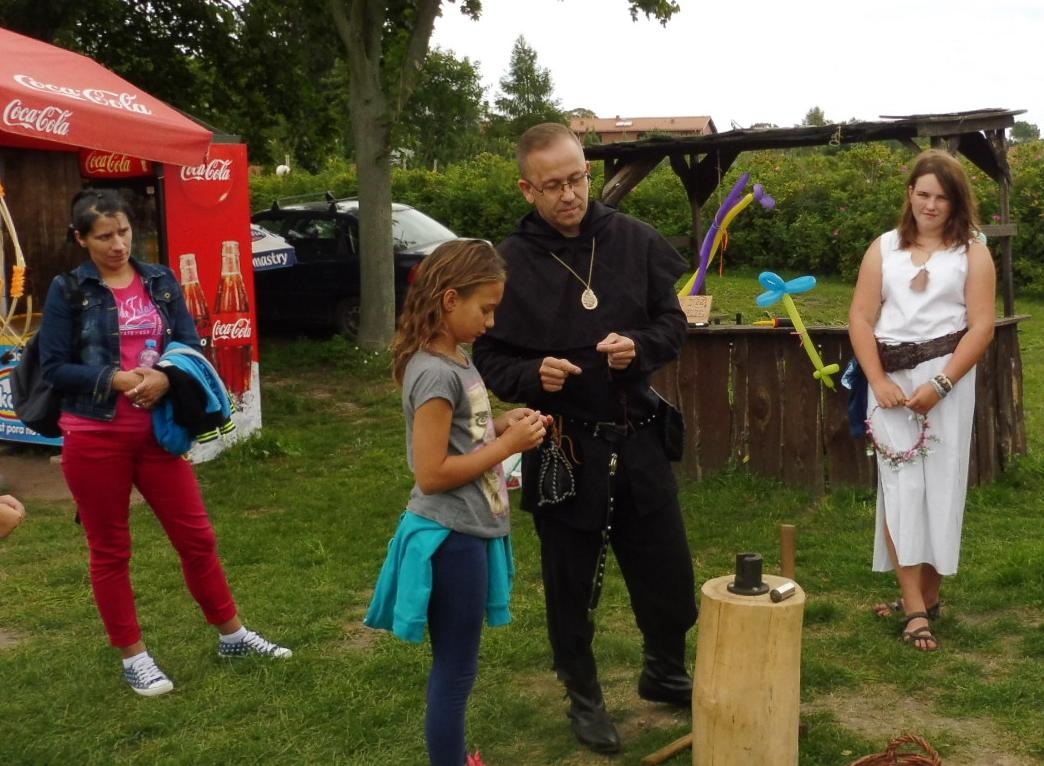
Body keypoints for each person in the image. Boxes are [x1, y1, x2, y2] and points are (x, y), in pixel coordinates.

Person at [473, 123, 698, 754]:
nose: (568, 195)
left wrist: (641, 347)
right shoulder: (508, 264)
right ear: (527, 187)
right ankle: (584, 693)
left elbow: (672, 323)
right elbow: (487, 350)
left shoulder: (635, 241)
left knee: (666, 566)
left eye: (576, 179)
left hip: (637, 431)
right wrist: (529, 376)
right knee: (571, 578)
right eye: (552, 186)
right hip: (563, 445)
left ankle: (664, 670)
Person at [38, 189, 291, 697]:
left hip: (160, 433)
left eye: (124, 232)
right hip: (94, 434)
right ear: (81, 238)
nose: (117, 245)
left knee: (197, 538)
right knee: (110, 550)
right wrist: (117, 379)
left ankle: (233, 635)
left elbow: (188, 345)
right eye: (104, 236)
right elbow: (54, 367)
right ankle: (134, 657)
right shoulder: (69, 291)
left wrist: (166, 378)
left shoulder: (160, 280)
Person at [364, 239, 550, 766]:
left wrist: (500, 424)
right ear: (449, 300)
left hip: (469, 530)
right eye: (484, 309)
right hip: (451, 538)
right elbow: (431, 472)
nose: (491, 322)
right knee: (455, 670)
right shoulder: (435, 374)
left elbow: (461, 438)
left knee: (457, 664)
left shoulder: (456, 356)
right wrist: (506, 448)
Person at [849, 150, 995, 652]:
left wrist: (942, 385)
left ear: (957, 203)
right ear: (910, 193)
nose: (931, 205)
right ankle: (914, 607)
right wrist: (877, 380)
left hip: (947, 381)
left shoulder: (973, 252)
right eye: (923, 193)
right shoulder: (883, 249)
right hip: (889, 383)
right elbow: (861, 320)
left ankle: (930, 597)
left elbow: (981, 327)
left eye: (942, 197)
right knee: (900, 488)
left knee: (941, 487)